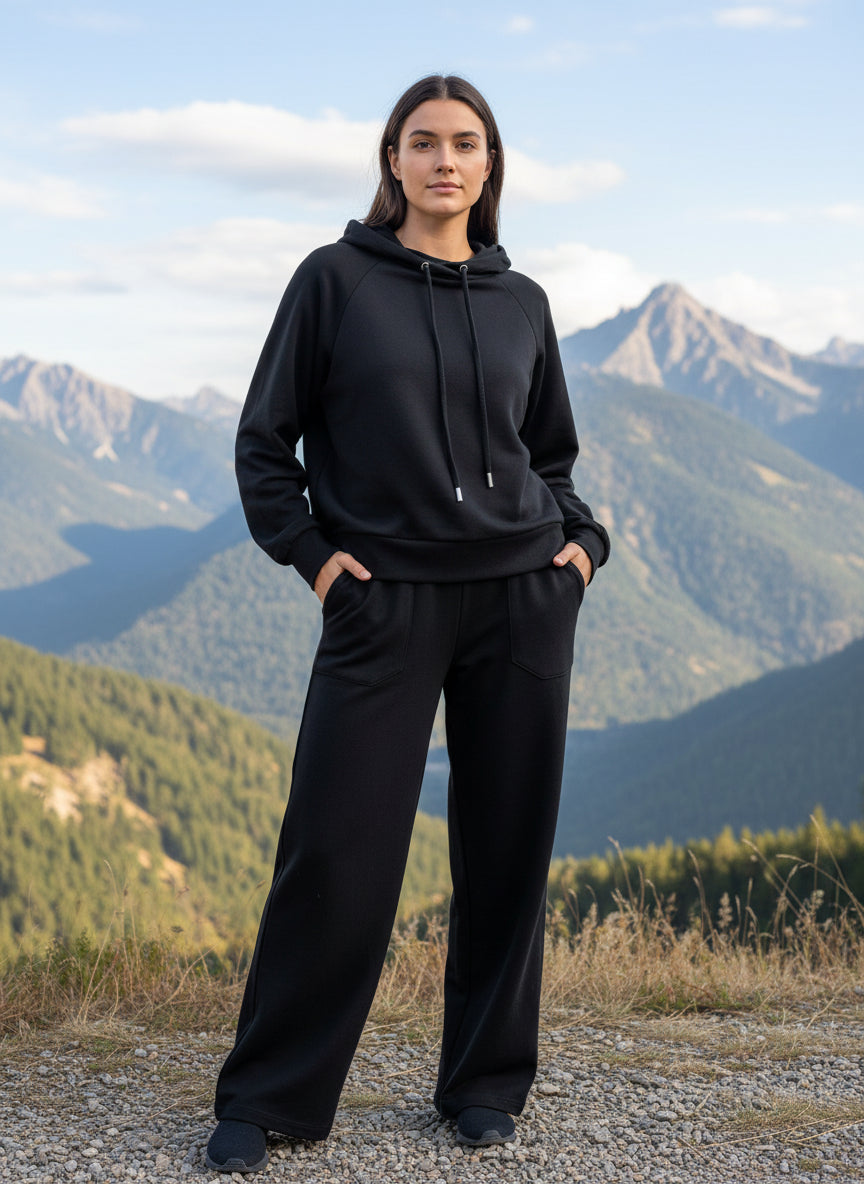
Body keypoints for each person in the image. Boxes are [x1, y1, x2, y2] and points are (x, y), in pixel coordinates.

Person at [205, 73, 610, 1174]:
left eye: (464, 143)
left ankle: (482, 1085)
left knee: (507, 846)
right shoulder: (333, 282)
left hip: (525, 598)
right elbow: (263, 444)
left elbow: (552, 451)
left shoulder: (520, 300)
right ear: (391, 160)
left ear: (490, 166)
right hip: (382, 604)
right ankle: (271, 1093)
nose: (443, 160)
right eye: (422, 141)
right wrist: (318, 563)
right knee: (337, 848)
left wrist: (579, 552)